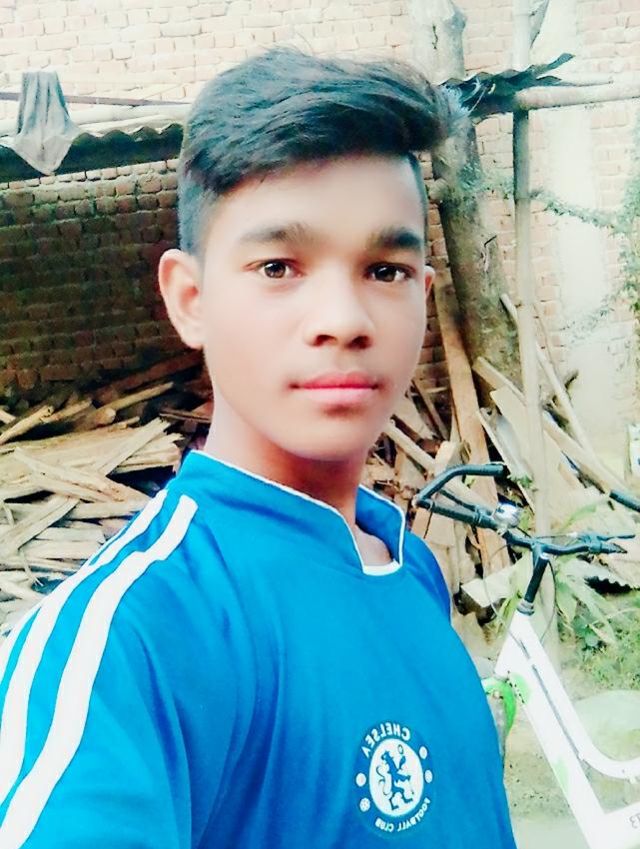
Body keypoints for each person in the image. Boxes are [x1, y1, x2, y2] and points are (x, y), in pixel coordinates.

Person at [0, 48, 516, 849]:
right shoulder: (129, 638)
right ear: (191, 300)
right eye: (279, 266)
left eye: (384, 269)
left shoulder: (410, 569)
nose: (343, 318)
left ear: (423, 294)